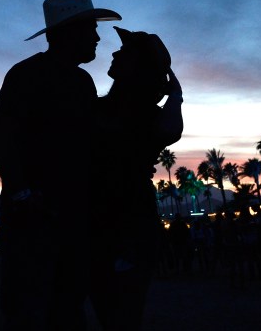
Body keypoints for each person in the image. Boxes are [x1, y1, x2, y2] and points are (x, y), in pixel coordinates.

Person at [0, 0, 120, 330]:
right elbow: (0, 136)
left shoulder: (81, 81)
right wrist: (23, 195)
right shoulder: (27, 75)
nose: (96, 37)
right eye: (89, 29)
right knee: (34, 306)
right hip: (36, 218)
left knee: (66, 304)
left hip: (70, 216)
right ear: (66, 33)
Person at [89, 26, 183, 329]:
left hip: (129, 225)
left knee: (122, 315)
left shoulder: (146, 115)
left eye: (125, 51)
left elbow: (171, 131)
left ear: (140, 67)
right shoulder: (100, 107)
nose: (115, 52)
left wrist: (176, 94)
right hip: (101, 224)